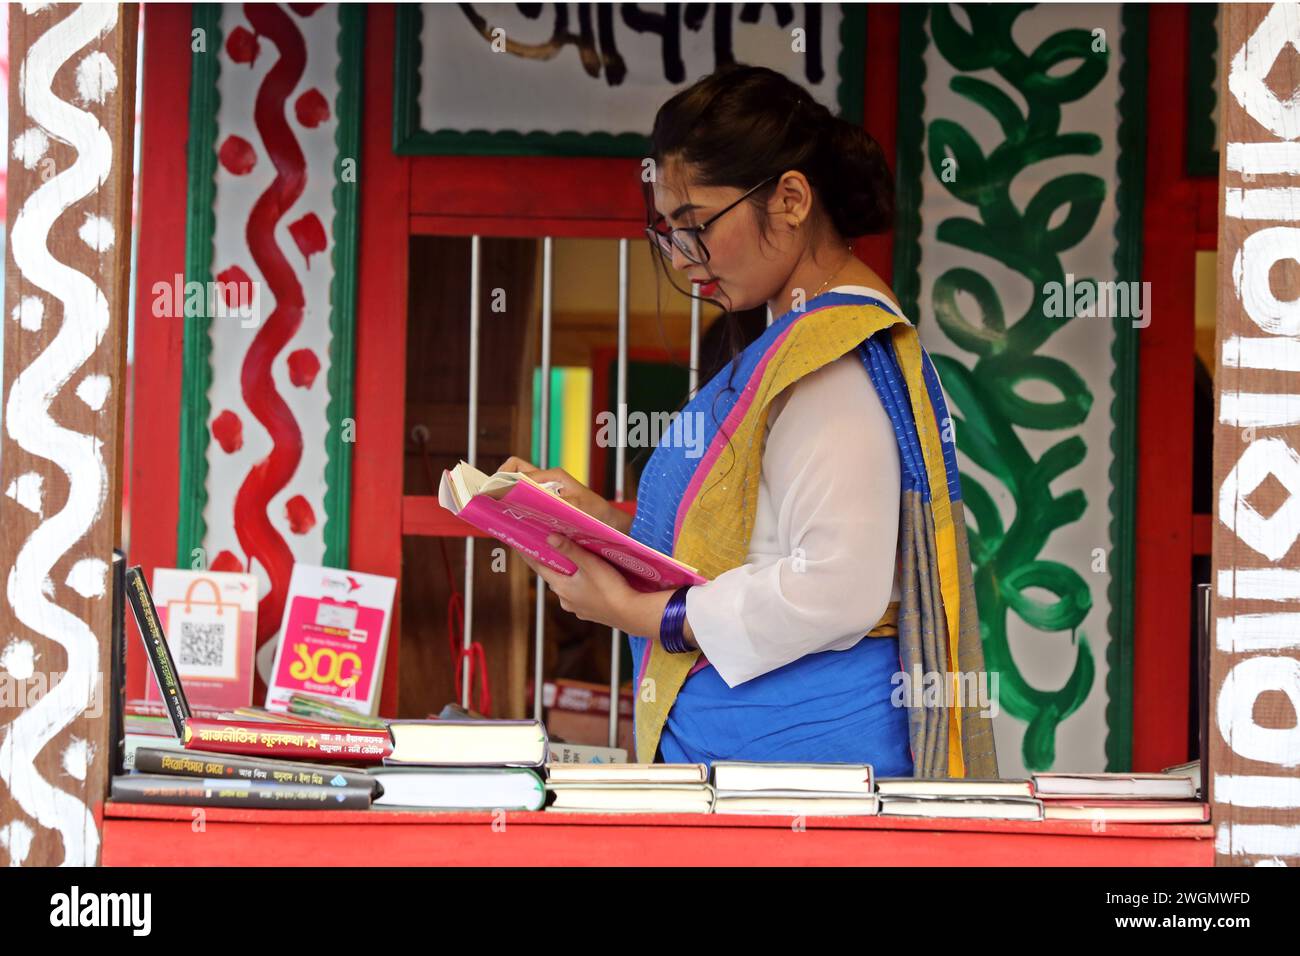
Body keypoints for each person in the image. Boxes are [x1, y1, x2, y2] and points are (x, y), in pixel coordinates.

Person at [504, 64, 998, 780]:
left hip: (800, 779)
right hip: (761, 773)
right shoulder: (793, 341)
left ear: (792, 198)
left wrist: (644, 614)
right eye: (669, 234)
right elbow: (756, 539)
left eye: (696, 226)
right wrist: (604, 521)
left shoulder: (832, 356)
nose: (685, 260)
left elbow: (835, 587)